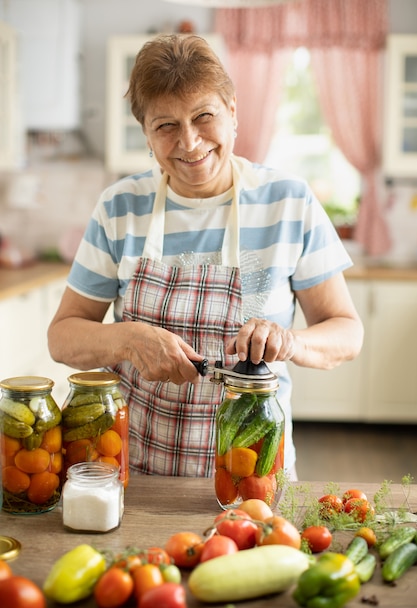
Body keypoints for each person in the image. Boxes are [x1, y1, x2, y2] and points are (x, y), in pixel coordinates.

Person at [48, 33, 364, 480]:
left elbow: (347, 333)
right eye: (166, 126)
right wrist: (129, 339)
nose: (190, 143)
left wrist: (291, 341)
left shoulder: (288, 202)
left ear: (232, 111)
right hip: (131, 472)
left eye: (204, 116)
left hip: (254, 474)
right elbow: (62, 337)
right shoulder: (120, 207)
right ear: (146, 135)